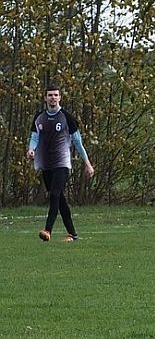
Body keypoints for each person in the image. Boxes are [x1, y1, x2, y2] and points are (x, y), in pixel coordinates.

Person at [27, 83, 95, 242]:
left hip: (62, 164)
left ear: (60, 97)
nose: (53, 98)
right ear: (45, 98)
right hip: (46, 164)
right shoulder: (39, 117)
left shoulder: (67, 118)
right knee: (60, 200)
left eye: (56, 95)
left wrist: (87, 163)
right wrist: (31, 149)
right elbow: (34, 137)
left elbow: (78, 143)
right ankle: (72, 234)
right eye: (50, 95)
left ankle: (47, 230)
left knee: (55, 194)